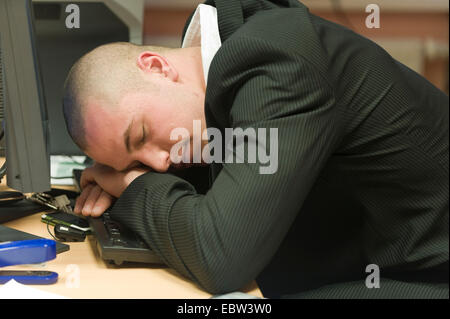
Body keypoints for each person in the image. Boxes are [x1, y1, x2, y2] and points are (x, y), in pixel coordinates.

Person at [62, 0, 449, 298]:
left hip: (429, 278)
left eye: (141, 134)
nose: (158, 162)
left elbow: (222, 256)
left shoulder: (274, 63)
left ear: (157, 67)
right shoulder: (222, 63)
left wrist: (133, 187)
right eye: (132, 162)